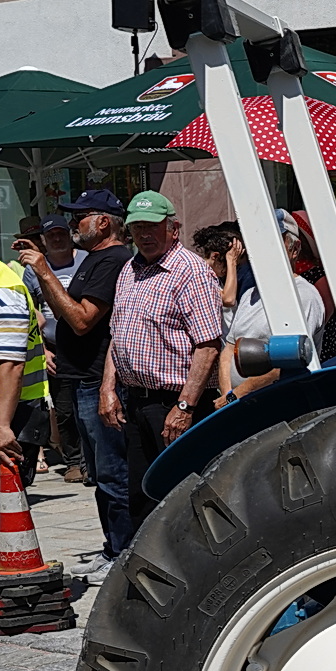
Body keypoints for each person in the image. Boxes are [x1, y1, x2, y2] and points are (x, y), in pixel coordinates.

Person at [17, 190, 134, 577]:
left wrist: (44, 272)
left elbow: (83, 320)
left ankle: (124, 552)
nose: (73, 224)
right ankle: (112, 546)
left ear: (103, 221)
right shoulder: (95, 260)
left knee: (112, 473)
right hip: (78, 378)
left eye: (80, 216)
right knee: (98, 475)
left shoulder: (113, 260)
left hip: (97, 381)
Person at [99, 191, 224, 526]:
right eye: (137, 226)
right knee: (142, 496)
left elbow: (209, 345)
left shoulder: (191, 272)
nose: (144, 234)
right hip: (137, 402)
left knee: (186, 495)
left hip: (177, 403)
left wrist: (184, 407)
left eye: (152, 225)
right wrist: (108, 387)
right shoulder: (130, 269)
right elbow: (118, 333)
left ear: (173, 228)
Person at [0, 205, 49, 574]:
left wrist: (1, 425)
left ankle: (8, 582)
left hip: (2, 413)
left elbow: (11, 363)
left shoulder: (1, 288)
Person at [216, 210, 329, 407]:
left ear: (295, 249)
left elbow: (291, 360)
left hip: (279, 407)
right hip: (240, 405)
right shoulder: (251, 292)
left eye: (275, 241)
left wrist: (238, 394)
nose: (264, 249)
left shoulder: (304, 296)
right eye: (258, 241)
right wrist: (227, 394)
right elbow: (229, 347)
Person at [14, 214, 86, 482]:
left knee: (90, 408)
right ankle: (74, 461)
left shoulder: (85, 260)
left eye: (61, 233)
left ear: (69, 234)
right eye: (51, 235)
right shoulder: (32, 270)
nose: (57, 238)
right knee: (65, 410)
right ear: (43, 240)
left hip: (88, 346)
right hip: (56, 349)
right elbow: (30, 313)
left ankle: (92, 460)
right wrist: (42, 351)